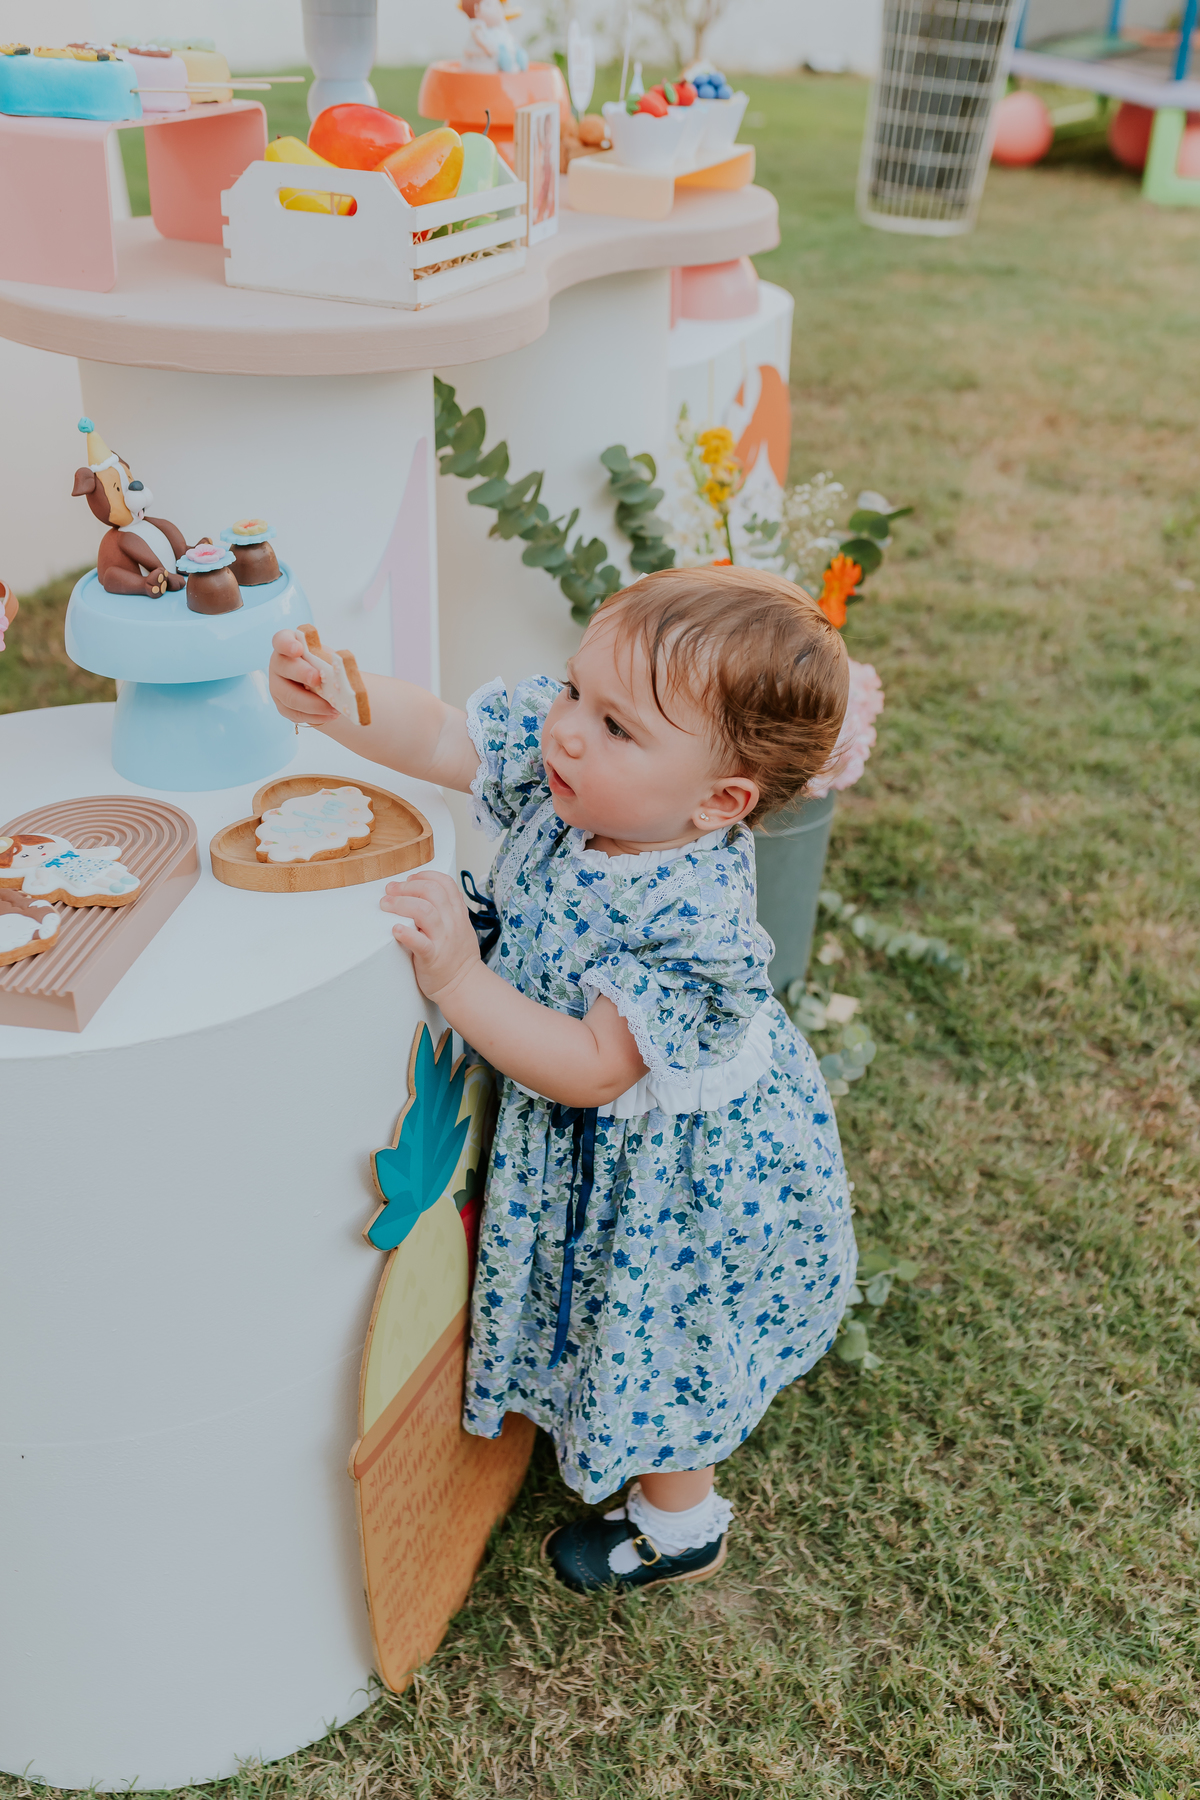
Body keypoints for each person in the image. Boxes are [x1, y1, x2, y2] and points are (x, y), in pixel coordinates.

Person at [268, 565, 858, 1594]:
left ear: (719, 802)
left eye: (617, 726)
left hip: (670, 1179)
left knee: (663, 1328)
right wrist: (344, 703)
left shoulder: (688, 918)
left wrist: (458, 976)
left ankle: (681, 1519)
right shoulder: (575, 774)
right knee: (590, 1301)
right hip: (600, 1138)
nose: (568, 729)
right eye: (574, 689)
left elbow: (589, 1069)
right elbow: (451, 738)